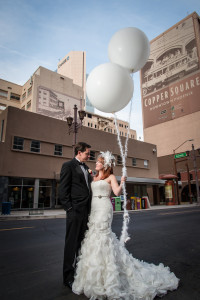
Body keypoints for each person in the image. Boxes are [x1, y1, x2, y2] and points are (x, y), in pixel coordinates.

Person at [72, 151, 179, 300]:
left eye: (98, 162)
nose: (96, 163)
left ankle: (108, 275)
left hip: (104, 208)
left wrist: (122, 181)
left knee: (103, 235)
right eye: (96, 161)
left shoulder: (110, 177)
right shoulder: (94, 176)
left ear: (105, 165)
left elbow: (116, 192)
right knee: (93, 235)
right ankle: (94, 276)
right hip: (94, 207)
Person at [59, 142, 92, 289]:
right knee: (71, 244)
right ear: (79, 152)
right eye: (87, 153)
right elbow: (63, 190)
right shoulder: (68, 165)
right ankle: (68, 277)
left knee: (81, 243)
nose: (89, 155)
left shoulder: (86, 168)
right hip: (75, 211)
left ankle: (79, 272)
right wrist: (69, 208)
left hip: (86, 211)